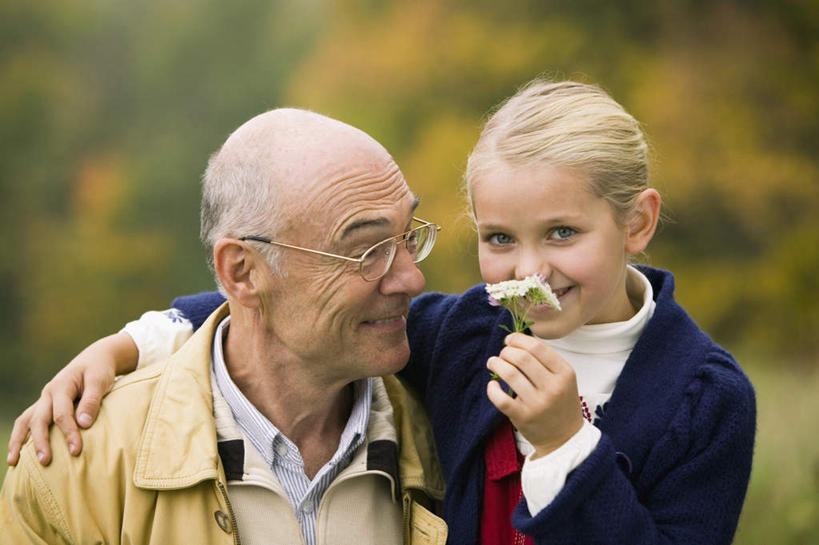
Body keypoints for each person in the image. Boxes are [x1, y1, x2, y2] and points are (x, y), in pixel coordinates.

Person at [7, 79, 756, 544]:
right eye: (498, 238)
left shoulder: (703, 396)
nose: (528, 270)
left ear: (637, 223)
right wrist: (135, 340)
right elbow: (277, 308)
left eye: (561, 232)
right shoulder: (473, 331)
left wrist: (564, 447)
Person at [0, 108, 448, 544]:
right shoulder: (77, 469)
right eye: (367, 250)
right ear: (242, 272)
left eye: (408, 237)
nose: (412, 278)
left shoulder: (454, 435)